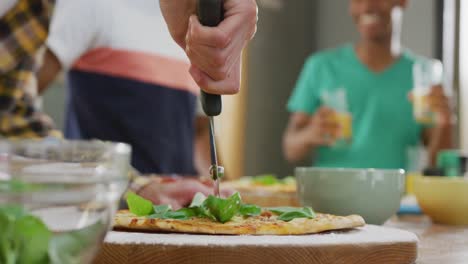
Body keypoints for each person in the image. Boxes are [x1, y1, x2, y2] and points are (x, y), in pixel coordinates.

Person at [0, 0, 258, 208]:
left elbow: (11, 115)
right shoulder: (89, 7)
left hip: (158, 205)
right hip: (105, 216)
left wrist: (138, 187)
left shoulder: (189, 27)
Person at [37, 0, 219, 176]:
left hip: (177, 202)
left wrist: (227, 192)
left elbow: (198, 132)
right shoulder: (88, 4)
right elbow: (18, 96)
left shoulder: (194, 21)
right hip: (107, 200)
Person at [283, 0, 452, 170]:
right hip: (331, 193)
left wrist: (444, 124)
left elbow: (439, 166)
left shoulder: (424, 74)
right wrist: (310, 134)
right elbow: (290, 148)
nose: (367, 7)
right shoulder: (321, 67)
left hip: (398, 194)